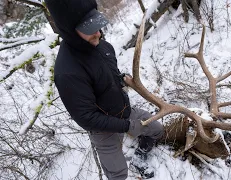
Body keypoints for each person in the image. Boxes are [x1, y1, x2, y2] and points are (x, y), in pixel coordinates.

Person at [44, 0, 164, 179]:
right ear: (69, 31)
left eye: (97, 24)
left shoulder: (102, 45)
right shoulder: (68, 72)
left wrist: (121, 79)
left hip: (124, 111)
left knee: (158, 131)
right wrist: (127, 126)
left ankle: (140, 156)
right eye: (89, 28)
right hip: (103, 129)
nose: (98, 33)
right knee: (118, 174)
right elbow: (87, 118)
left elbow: (106, 72)